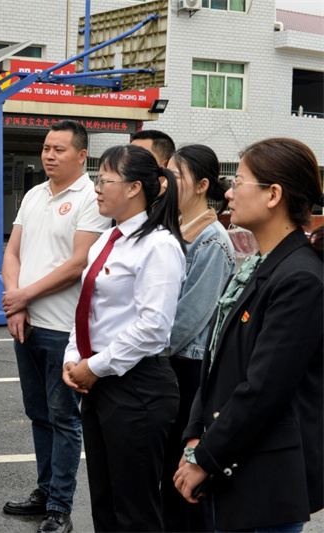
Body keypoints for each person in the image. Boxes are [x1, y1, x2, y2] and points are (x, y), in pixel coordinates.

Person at [174, 138, 324, 533]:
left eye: (239, 182)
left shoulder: (300, 278)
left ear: (273, 195)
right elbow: (217, 361)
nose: (229, 192)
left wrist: (205, 457)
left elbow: (263, 388)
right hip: (234, 460)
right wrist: (194, 435)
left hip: (265, 478)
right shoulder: (258, 264)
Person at [63, 144, 186, 532]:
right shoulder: (107, 239)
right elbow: (88, 306)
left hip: (137, 388)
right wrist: (73, 356)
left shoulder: (159, 245)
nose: (96, 188)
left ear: (134, 188)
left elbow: (153, 327)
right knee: (104, 501)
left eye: (104, 180)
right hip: (99, 381)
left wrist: (94, 366)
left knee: (135, 509)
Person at [1, 120, 110, 533]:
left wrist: (24, 296)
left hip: (64, 330)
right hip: (26, 324)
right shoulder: (34, 194)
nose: (49, 155)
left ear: (81, 155)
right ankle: (44, 491)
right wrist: (15, 302)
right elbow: (12, 252)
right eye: (46, 147)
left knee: (64, 418)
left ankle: (60, 507)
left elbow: (79, 262)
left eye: (59, 149)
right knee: (37, 413)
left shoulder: (90, 198)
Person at [160, 144, 235, 532]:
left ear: (203, 185)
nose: (168, 183)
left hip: (186, 366)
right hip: (167, 360)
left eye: (176, 176)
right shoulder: (172, 228)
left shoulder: (213, 241)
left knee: (184, 472)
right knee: (166, 473)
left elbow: (189, 317)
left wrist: (145, 350)